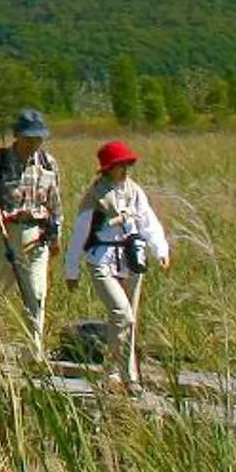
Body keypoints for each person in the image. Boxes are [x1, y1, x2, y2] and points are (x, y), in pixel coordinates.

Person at [64, 138, 173, 387]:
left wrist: (160, 250)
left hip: (132, 260)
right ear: (108, 168)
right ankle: (125, 374)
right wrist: (72, 270)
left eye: (127, 164)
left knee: (127, 319)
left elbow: (148, 222)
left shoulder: (134, 192)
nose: (124, 170)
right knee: (122, 314)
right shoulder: (95, 197)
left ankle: (118, 372)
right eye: (120, 165)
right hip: (101, 261)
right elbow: (80, 234)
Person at [0, 108, 63, 360]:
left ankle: (32, 351)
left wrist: (56, 236)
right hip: (5, 233)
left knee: (36, 293)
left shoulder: (48, 163)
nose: (34, 143)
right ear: (17, 136)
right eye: (29, 138)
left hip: (37, 235)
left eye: (38, 138)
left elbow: (56, 206)